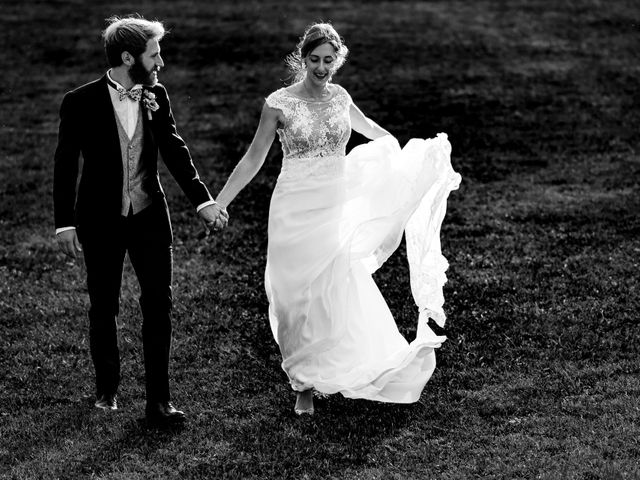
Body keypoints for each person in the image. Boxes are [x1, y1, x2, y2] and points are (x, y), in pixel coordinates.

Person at [210, 23, 460, 415]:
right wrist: (221, 201)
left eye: (329, 60)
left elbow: (373, 132)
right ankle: (302, 384)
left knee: (331, 289)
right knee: (294, 296)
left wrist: (411, 156)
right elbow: (253, 158)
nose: (322, 68)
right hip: (293, 207)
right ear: (303, 58)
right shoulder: (278, 103)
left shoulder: (341, 98)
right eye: (315, 60)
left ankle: (336, 366)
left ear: (337, 60)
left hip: (332, 205)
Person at [53, 15, 228, 426]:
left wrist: (202, 200)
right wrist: (65, 223)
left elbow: (174, 149)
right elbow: (65, 166)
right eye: (155, 55)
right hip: (100, 219)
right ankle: (107, 390)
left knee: (159, 304)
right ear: (128, 57)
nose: (160, 62)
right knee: (104, 304)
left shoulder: (157, 95)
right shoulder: (78, 101)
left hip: (149, 215)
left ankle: (159, 401)